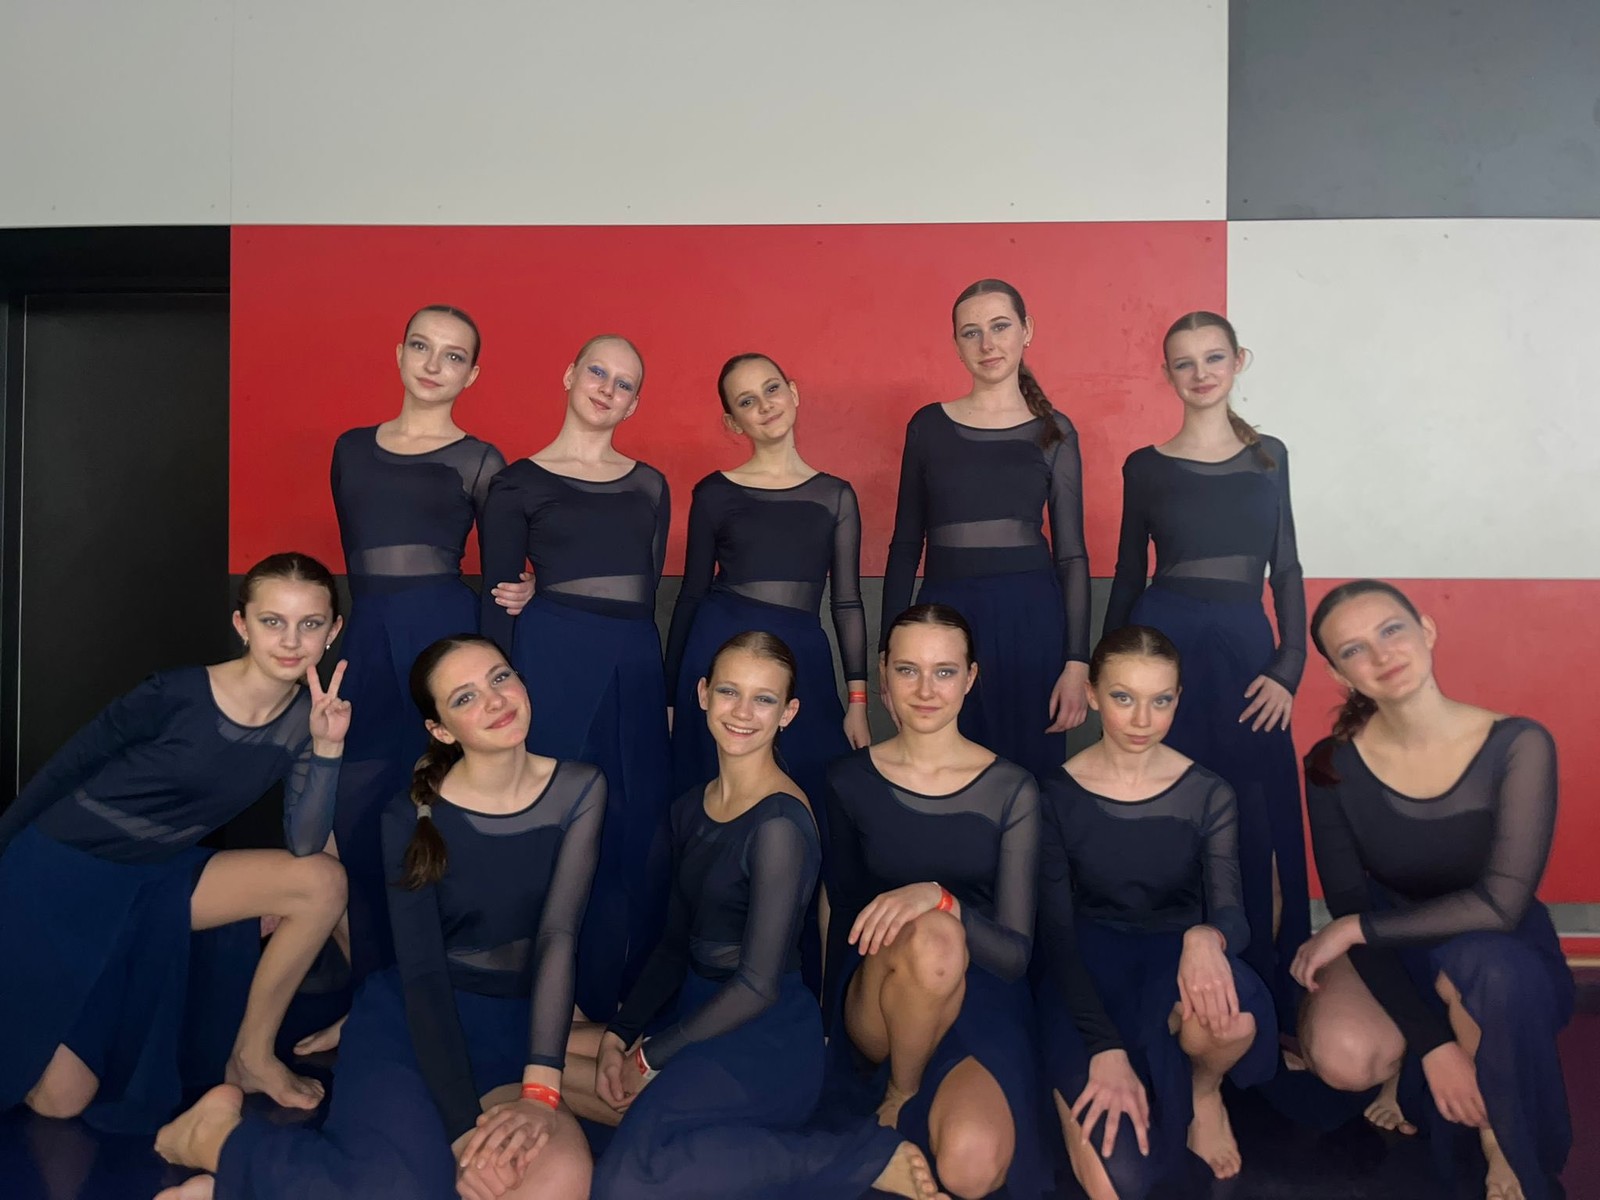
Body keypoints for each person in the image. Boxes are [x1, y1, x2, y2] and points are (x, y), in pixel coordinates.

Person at [152, 634, 601, 1200]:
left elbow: (559, 936)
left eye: (499, 677)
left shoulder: (580, 788)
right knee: (396, 1187)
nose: (494, 700)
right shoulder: (410, 817)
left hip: (517, 1029)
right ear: (441, 730)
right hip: (413, 1025)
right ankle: (220, 1140)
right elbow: (424, 975)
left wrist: (539, 1094)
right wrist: (464, 1133)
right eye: (464, 698)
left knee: (556, 1186)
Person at [563, 631, 945, 1200]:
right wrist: (620, 1034)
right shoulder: (689, 809)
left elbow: (758, 985)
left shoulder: (779, 825)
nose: (742, 712)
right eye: (729, 692)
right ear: (702, 694)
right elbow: (674, 944)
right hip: (698, 1017)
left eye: (764, 699)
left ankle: (847, 1158)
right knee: (543, 1069)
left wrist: (648, 1056)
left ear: (788, 713)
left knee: (626, 1180)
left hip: (764, 1037)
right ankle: (700, 1122)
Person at [0, 552, 350, 1133]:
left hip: (158, 876)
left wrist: (328, 747)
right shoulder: (177, 692)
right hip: (61, 877)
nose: (291, 641)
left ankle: (252, 1057)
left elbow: (307, 842)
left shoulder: (308, 721)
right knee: (60, 1101)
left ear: (332, 631)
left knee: (322, 882)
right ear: (241, 624)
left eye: (309, 624)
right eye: (272, 621)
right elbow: (65, 770)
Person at [1292, 580, 1573, 1200]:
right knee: (1345, 1058)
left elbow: (1501, 904)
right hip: (1394, 938)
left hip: (1497, 942)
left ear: (1426, 629)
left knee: (1485, 970)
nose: (1381, 654)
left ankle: (1500, 1140)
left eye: (1391, 630)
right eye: (1354, 649)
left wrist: (1354, 929)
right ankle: (1413, 1063)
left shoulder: (1518, 743)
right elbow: (1352, 907)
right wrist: (1435, 1046)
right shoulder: (1330, 764)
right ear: (1338, 672)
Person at [1102, 310, 1307, 1023]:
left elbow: (1286, 569)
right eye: (1184, 362)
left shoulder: (1270, 455)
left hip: (1250, 656)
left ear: (1238, 361)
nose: (1200, 374)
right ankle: (1173, 991)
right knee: (1169, 811)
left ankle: (1266, 997)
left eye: (1213, 358)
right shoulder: (1145, 465)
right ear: (1167, 373)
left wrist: (1288, 666)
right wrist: (1109, 675)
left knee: (1257, 822)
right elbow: (1129, 574)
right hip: (1165, 646)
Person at [327, 304, 531, 990]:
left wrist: (500, 666)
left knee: (443, 809)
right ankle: (375, 990)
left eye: (453, 356)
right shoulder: (350, 448)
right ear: (399, 353)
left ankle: (448, 983)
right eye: (422, 346)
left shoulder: (481, 460)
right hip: (367, 638)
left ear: (472, 374)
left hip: (446, 641)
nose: (434, 364)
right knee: (356, 807)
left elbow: (502, 579)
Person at [1034, 626, 1276, 1199]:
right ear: (1092, 695)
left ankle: (1204, 1091)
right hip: (1085, 968)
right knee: (1119, 1184)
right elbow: (1055, 933)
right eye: (1124, 697)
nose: (1142, 719)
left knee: (1232, 1018)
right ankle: (1073, 1078)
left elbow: (1233, 915)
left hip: (1174, 956)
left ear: (1178, 698)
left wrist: (1204, 937)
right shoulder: (1053, 795)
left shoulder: (1209, 793)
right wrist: (1103, 1047)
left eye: (1160, 700)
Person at [478, 334, 671, 1021]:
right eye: (597, 371)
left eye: (624, 383)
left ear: (634, 403)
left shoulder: (651, 484)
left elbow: (643, 590)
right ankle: (537, 1001)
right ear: (568, 375)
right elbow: (496, 603)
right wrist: (490, 705)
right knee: (552, 821)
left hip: (635, 663)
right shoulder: (516, 483)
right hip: (552, 658)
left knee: (638, 824)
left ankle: (615, 999)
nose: (607, 389)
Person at [824, 604, 1046, 1199]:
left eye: (944, 672)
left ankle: (910, 1129)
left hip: (982, 995)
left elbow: (1014, 957)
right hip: (881, 995)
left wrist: (941, 898)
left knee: (971, 1171)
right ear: (883, 673)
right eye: (908, 670)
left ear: (971, 678)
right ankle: (899, 1095)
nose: (925, 690)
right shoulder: (846, 780)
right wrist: (826, 1028)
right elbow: (837, 910)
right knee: (934, 939)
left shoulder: (1013, 789)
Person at [880, 279, 1090, 779]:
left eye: (1000, 327)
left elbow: (1071, 555)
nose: (987, 344)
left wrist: (1077, 662)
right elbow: (906, 545)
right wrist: (889, 653)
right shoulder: (928, 426)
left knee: (1028, 774)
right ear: (956, 344)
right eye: (971, 332)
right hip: (943, 622)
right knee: (941, 772)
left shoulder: (1055, 431)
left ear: (1026, 330)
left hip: (1031, 620)